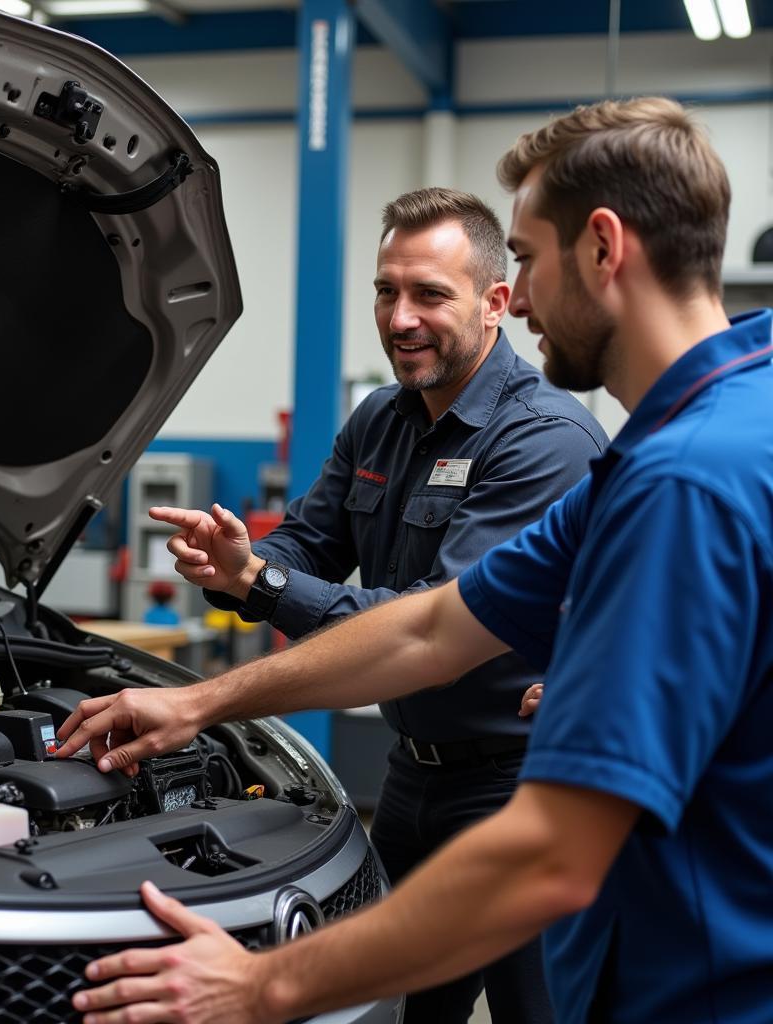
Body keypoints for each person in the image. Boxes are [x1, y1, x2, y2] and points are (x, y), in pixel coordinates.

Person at [56, 96, 773, 1024]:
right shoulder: (695, 439)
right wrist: (194, 702)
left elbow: (545, 857)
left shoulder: (678, 481)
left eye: (523, 259)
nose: (524, 298)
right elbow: (434, 627)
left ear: (602, 248)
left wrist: (263, 983)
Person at [146, 186, 605, 1023]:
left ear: (496, 301)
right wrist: (239, 564)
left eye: (430, 294)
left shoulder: (545, 440)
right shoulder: (380, 420)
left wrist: (263, 587)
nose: (400, 319)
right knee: (388, 1011)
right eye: (386, 291)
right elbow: (305, 546)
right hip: (408, 782)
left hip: (520, 785)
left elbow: (429, 624)